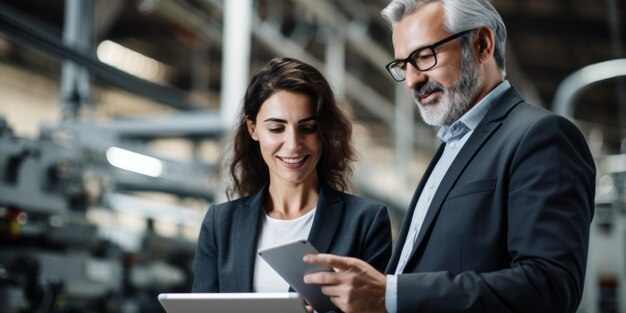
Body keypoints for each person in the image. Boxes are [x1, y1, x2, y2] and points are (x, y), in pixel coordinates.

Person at [303, 0, 596, 312]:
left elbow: (549, 287)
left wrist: (389, 294)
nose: (412, 80)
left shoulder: (541, 136)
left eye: (424, 57)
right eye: (403, 66)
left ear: (482, 45)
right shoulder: (450, 148)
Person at [191, 57, 392, 298]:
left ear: (324, 132)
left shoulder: (365, 222)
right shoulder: (220, 224)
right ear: (253, 129)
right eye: (276, 129)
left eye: (307, 128)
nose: (293, 145)